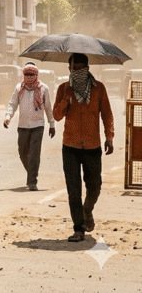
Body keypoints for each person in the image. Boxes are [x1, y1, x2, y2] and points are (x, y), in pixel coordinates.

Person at [53, 53, 115, 242]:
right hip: (70, 146)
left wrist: (109, 137)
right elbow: (56, 116)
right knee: (74, 190)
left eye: (81, 69)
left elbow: (107, 115)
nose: (77, 72)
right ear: (69, 69)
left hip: (92, 146)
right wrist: (66, 99)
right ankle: (78, 228)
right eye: (74, 69)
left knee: (94, 187)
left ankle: (87, 210)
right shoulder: (64, 89)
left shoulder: (99, 89)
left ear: (87, 69)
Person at [3, 63, 55, 191]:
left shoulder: (43, 88)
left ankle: (32, 181)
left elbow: (48, 107)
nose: (29, 77)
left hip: (38, 125)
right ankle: (31, 171)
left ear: (36, 75)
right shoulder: (19, 88)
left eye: (32, 74)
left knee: (34, 154)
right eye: (26, 74)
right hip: (23, 125)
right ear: (23, 74)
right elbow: (12, 104)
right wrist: (8, 117)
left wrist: (52, 124)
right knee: (22, 153)